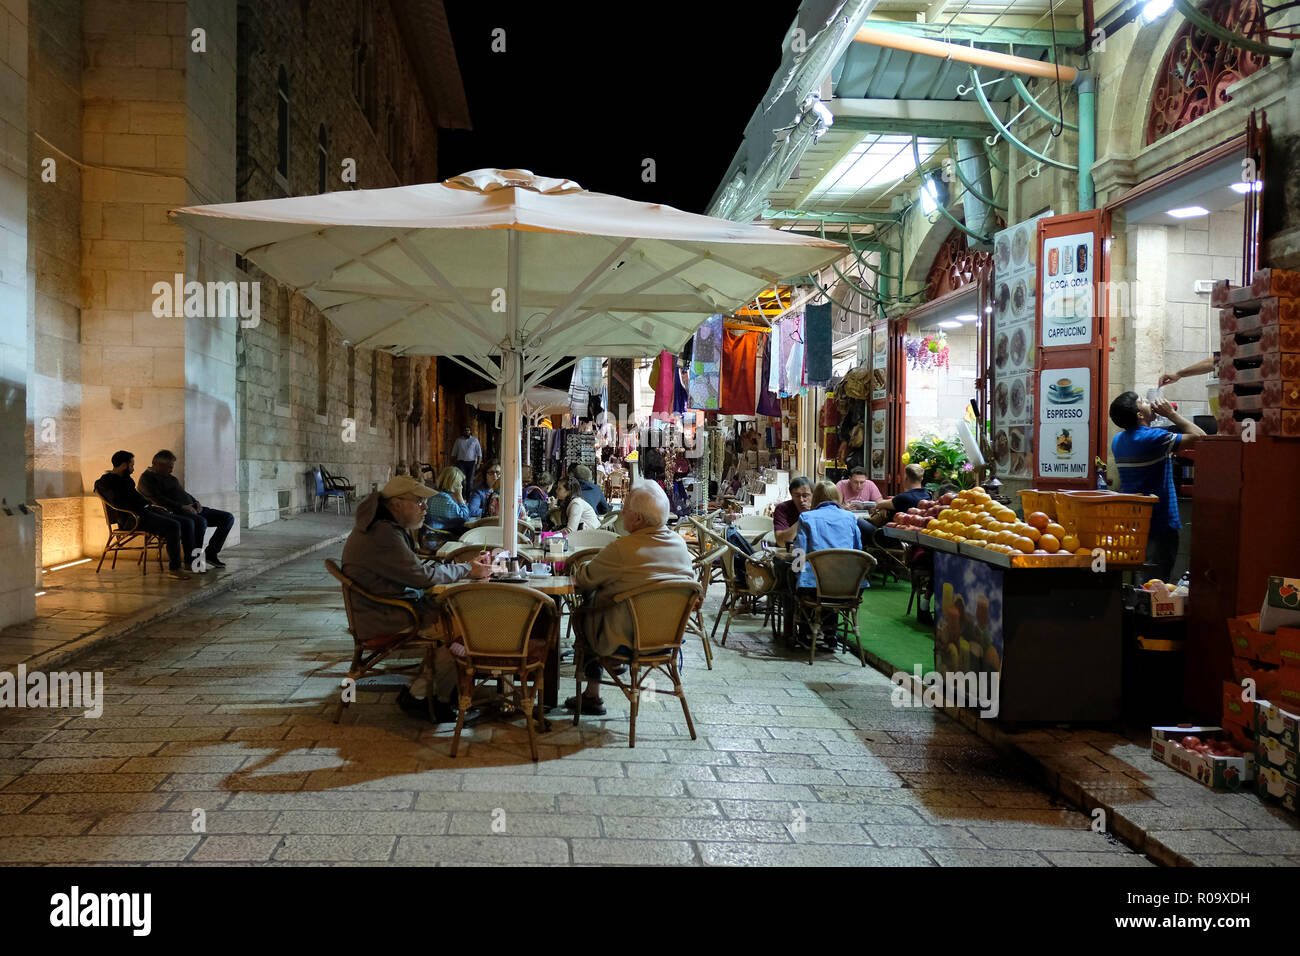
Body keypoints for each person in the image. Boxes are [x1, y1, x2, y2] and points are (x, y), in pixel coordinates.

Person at [341, 475, 494, 723]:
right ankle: (425, 696)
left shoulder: (381, 526)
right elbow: (421, 577)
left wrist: (461, 568)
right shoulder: (384, 534)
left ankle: (432, 689)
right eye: (420, 502)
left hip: (382, 609)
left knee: (458, 619)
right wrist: (467, 570)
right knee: (464, 628)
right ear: (397, 504)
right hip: (387, 617)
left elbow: (412, 570)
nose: (425, 508)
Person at [567, 482, 696, 714]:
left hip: (626, 638)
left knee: (583, 612)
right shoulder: (680, 545)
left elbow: (585, 579)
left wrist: (584, 564)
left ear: (637, 518)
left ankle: (592, 693)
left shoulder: (623, 548)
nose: (622, 514)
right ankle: (612, 677)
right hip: (668, 638)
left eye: (624, 509)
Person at [1109, 391, 1205, 582]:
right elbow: (1200, 436)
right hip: (1160, 521)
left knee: (1139, 577)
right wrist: (1171, 413)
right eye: (1143, 402)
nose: (1149, 403)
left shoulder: (1118, 440)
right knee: (1155, 581)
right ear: (1139, 414)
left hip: (1132, 521)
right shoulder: (1152, 438)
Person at [786, 481, 864, 649]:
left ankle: (805, 630)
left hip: (816, 586)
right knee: (832, 583)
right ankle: (830, 632)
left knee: (798, 580)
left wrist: (795, 570)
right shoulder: (850, 518)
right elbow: (858, 550)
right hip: (848, 586)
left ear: (816, 498)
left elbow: (800, 552)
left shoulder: (806, 518)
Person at [93, 451, 192, 580]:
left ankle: (190, 563)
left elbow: (136, 498)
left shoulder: (126, 479)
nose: (133, 469)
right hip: (132, 519)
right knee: (173, 525)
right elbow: (122, 502)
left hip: (144, 512)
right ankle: (175, 568)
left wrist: (147, 505)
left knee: (186, 522)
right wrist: (143, 505)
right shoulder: (107, 482)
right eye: (131, 465)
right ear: (124, 465)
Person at [136, 450, 235, 568]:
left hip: (193, 508)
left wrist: (195, 502)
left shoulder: (169, 477)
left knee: (227, 518)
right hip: (177, 511)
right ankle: (194, 561)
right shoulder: (147, 479)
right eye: (169, 467)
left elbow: (182, 492)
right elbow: (158, 500)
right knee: (200, 522)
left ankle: (210, 554)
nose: (171, 470)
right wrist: (182, 507)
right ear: (157, 465)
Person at [423, 466, 470, 536]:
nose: (461, 487)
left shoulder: (436, 495)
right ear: (454, 484)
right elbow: (465, 517)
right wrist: (459, 496)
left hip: (432, 534)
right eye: (459, 484)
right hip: (439, 538)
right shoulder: (445, 499)